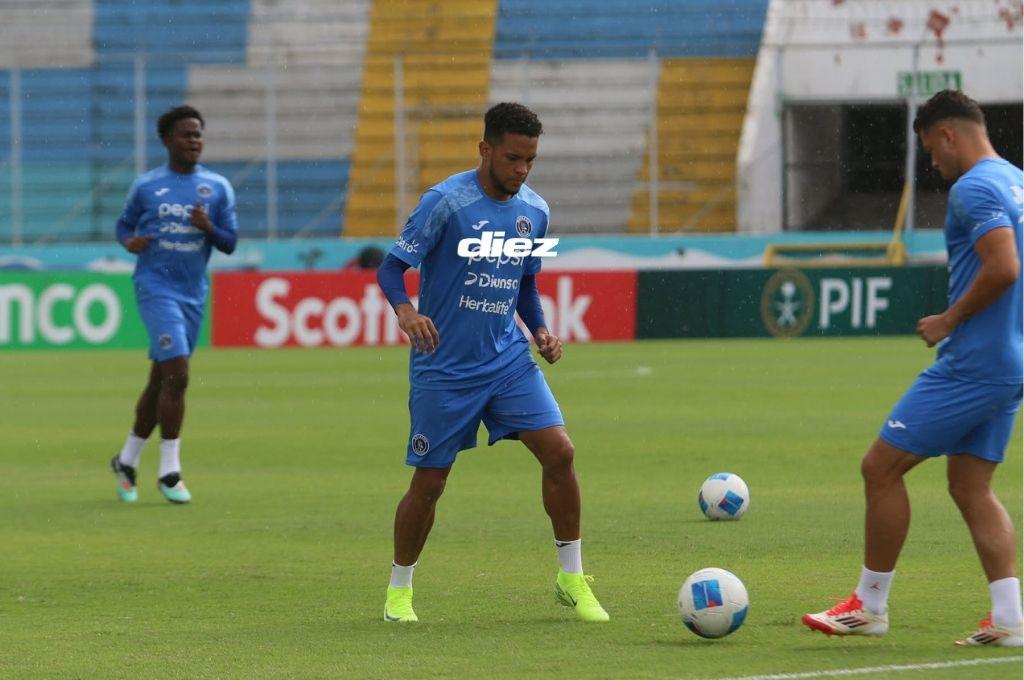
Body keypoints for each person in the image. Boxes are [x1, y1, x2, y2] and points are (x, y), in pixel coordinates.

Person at [802, 90, 1023, 647]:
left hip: (974, 362)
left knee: (880, 467)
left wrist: (950, 319)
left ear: (947, 134)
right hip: (1010, 359)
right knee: (971, 486)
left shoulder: (975, 187)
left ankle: (869, 606)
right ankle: (1010, 619)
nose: (933, 163)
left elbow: (1004, 267)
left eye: (930, 149)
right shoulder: (1017, 180)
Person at [375, 102, 608, 623]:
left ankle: (571, 578)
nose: (521, 170)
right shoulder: (445, 201)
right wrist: (406, 309)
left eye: (530, 161)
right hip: (444, 367)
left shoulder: (536, 210)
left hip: (507, 360)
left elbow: (525, 282)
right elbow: (392, 270)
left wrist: (540, 328)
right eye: (512, 158)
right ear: (485, 149)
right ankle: (399, 590)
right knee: (430, 483)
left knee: (560, 453)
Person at [109, 105, 238, 504]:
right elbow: (123, 225)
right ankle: (170, 472)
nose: (194, 140)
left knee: (160, 380)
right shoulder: (147, 186)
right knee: (178, 374)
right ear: (166, 140)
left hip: (193, 293)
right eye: (186, 134)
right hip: (155, 287)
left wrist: (208, 228)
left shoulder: (217, 187)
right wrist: (129, 242)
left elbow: (229, 243)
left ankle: (127, 460)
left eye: (198, 134)